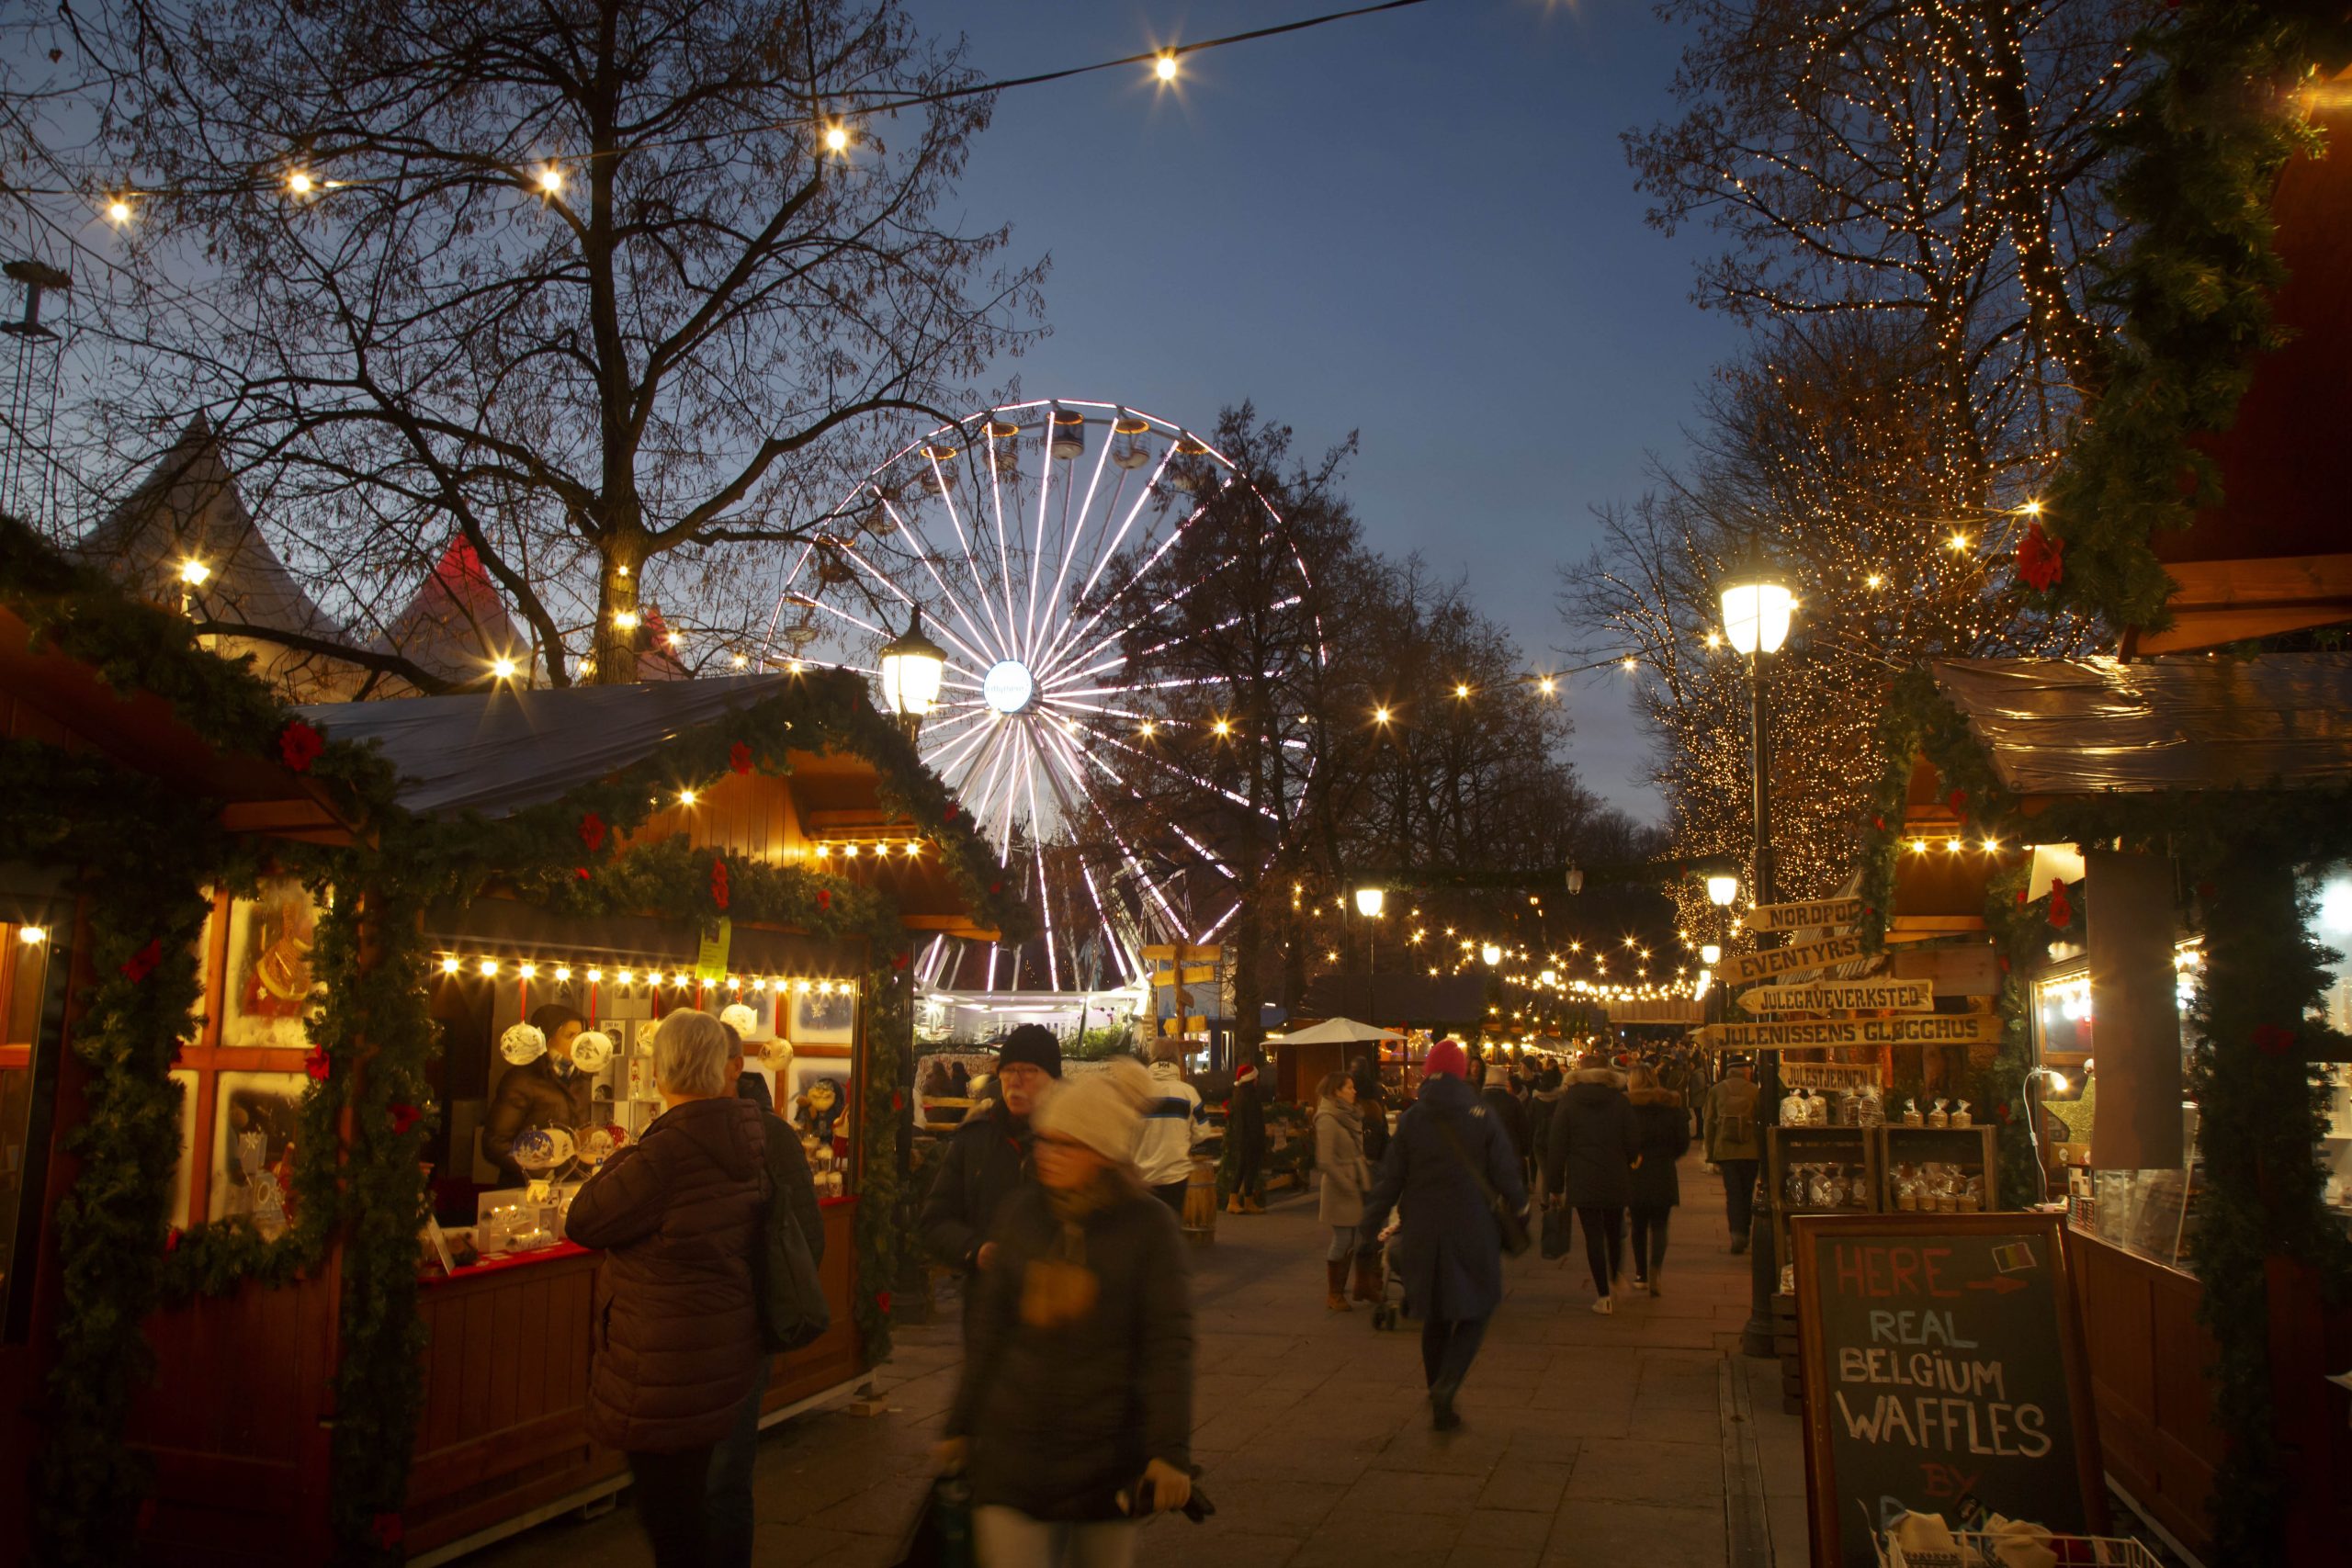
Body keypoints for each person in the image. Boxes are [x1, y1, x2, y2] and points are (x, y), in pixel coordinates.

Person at [937, 1059, 1194, 1567]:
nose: (1047, 1154)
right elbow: (989, 1330)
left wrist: (1169, 1453)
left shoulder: (1147, 1228)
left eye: (1066, 1144)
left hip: (1107, 1457)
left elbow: (1168, 1345)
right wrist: (960, 1425)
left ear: (1102, 1153)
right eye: (1045, 1140)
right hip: (1014, 1451)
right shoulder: (1022, 1214)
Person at [565, 1010, 767, 1568]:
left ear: (661, 1072)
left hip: (663, 1359)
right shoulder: (744, 1137)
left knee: (672, 1518)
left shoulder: (665, 1154)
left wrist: (626, 1154)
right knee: (695, 1504)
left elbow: (583, 1219)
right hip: (720, 1345)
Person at [1360, 1039, 1527, 1431]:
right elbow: (1507, 1172)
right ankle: (1448, 1385)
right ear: (1462, 1072)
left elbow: (1388, 1182)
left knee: (1434, 1315)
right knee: (1479, 1307)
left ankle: (1437, 1394)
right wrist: (1520, 1209)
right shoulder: (1481, 1114)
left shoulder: (1412, 1119)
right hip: (1473, 1229)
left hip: (1422, 1231)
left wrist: (1369, 1230)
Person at [706, 1027, 822, 1568]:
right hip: (684, 1338)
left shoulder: (770, 1137)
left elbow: (805, 1238)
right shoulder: (660, 1138)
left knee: (721, 1481)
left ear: (732, 1066)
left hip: (734, 1334)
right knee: (702, 1486)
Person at [922, 1023, 1061, 1339]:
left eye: (1029, 1070)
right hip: (989, 1318)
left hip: (1059, 1320)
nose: (1015, 1081)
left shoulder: (1075, 1142)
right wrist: (976, 1251)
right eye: (1009, 1070)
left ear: (1054, 1079)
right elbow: (935, 1221)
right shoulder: (975, 1139)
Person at [1545, 1052, 1638, 1314]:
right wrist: (1628, 1159)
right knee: (1613, 1229)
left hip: (1582, 1177)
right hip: (1615, 1175)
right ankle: (1616, 1275)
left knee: (1593, 1236)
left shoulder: (1569, 1101)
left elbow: (1557, 1146)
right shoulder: (1620, 1102)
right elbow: (1632, 1142)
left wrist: (1554, 1186)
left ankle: (1603, 1296)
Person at [482, 1002, 594, 1184]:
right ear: (548, 1037)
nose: (577, 1043)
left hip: (571, 1186)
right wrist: (539, 1170)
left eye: (580, 1036)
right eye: (570, 1036)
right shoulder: (522, 1080)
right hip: (527, 1189)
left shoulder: (581, 1080)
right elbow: (495, 1144)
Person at [1625, 1063, 1691, 1296]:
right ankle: (1656, 1269)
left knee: (1638, 1225)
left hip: (1636, 1172)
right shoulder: (1670, 1107)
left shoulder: (1627, 1108)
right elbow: (1683, 1142)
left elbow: (1621, 1141)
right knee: (1660, 1224)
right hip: (1663, 1171)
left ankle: (1641, 1274)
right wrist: (1667, 1155)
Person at [1311, 1070, 1373, 1312]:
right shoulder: (1327, 1118)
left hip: (1356, 1181)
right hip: (1341, 1187)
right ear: (1336, 1091)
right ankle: (1334, 1293)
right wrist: (1347, 1184)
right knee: (1343, 1239)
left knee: (1359, 1237)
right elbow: (1325, 1160)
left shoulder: (1348, 1115)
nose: (1354, 1091)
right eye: (1349, 1087)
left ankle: (1359, 1285)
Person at [1135, 1038, 1205, 1215]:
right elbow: (1202, 1132)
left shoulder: (1137, 1092)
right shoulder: (1188, 1093)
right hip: (1176, 1175)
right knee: (1172, 1225)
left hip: (1143, 1176)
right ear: (1177, 1058)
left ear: (1151, 1057)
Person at [1703, 1055, 1763, 1253]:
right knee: (1747, 1192)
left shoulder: (1717, 1090)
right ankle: (1745, 1230)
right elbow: (1762, 1121)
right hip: (1750, 1151)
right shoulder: (1756, 1091)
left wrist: (1711, 1153)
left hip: (1726, 1150)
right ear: (1747, 1071)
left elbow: (1709, 1123)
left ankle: (1736, 1232)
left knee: (1733, 1194)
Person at [1226, 1053, 1267, 1214]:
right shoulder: (1250, 1098)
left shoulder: (1239, 1095)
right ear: (1252, 1079)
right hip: (1250, 1139)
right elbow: (1253, 1121)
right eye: (1256, 1078)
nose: (1258, 1081)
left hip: (1242, 1138)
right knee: (1247, 1169)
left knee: (1243, 1168)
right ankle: (1240, 1201)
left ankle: (1238, 1200)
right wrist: (1259, 1138)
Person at [1481, 1060, 1532, 1188]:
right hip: (1510, 1153)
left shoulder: (1477, 1100)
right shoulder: (1513, 1102)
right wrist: (1525, 1151)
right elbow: (1523, 1129)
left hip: (1485, 1157)